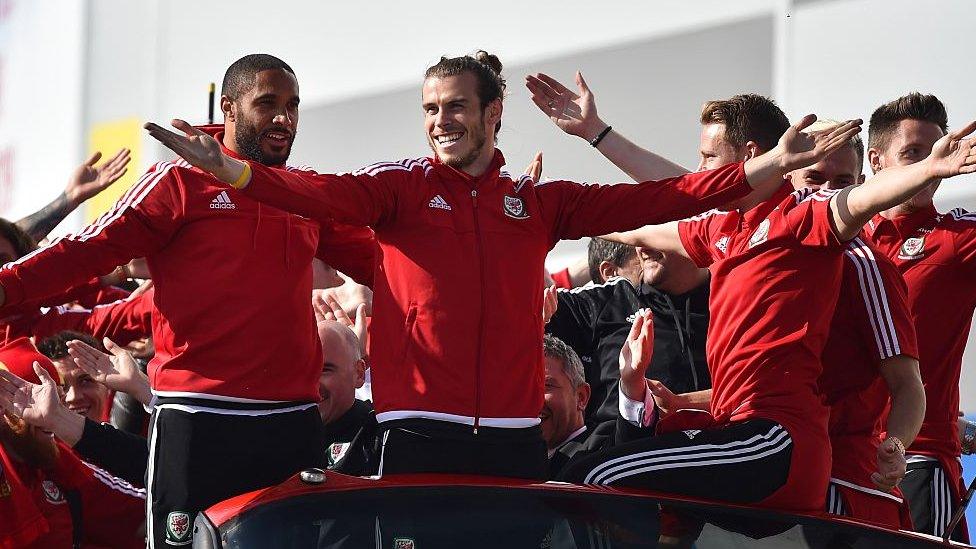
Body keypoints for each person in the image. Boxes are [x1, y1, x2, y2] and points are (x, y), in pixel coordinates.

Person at [147, 50, 858, 479]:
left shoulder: (538, 201)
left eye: (456, 107)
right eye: (430, 108)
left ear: (493, 116)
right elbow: (315, 190)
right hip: (416, 434)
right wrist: (236, 173)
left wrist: (764, 170)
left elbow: (666, 195)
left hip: (515, 442)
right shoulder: (398, 185)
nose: (439, 121)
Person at [0, 53, 376, 548]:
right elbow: (86, 251)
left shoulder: (301, 191)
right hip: (198, 424)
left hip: (290, 423)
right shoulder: (177, 184)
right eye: (268, 103)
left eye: (292, 105)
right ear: (230, 108)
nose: (284, 117)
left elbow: (387, 263)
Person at [784, 121, 924, 528]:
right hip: (772, 463)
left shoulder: (865, 265)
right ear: (787, 173)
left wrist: (895, 445)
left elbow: (908, 384)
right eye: (814, 177)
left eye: (843, 181)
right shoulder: (758, 252)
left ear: (862, 185)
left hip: (840, 480)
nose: (827, 191)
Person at [858, 92, 976, 540]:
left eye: (939, 152)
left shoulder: (957, 239)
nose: (933, 166)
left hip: (920, 458)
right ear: (876, 161)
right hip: (838, 456)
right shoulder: (840, 237)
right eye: (913, 154)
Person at [0, 337, 145, 548]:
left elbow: (143, 512)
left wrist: (146, 391)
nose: (49, 411)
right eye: (33, 399)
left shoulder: (64, 467)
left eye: (56, 397)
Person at [547, 237, 709, 424]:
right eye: (637, 239)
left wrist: (680, 403)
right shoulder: (606, 301)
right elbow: (524, 305)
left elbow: (747, 392)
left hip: (720, 445)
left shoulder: (733, 293)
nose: (642, 249)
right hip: (618, 449)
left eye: (655, 233)